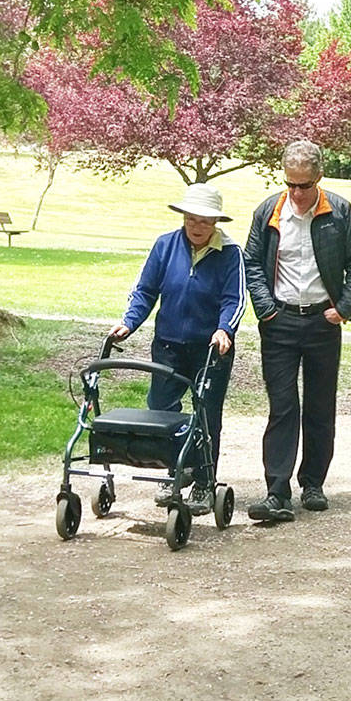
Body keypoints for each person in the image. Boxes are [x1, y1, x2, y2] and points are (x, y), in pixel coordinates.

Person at [242, 139, 351, 522]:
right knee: (282, 407)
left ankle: (313, 483)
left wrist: (342, 308)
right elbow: (251, 263)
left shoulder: (340, 212)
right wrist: (265, 309)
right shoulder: (269, 211)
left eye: (304, 185)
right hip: (279, 322)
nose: (296, 193)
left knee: (319, 406)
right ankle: (276, 491)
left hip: (321, 323)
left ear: (319, 178)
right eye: (291, 184)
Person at [109, 182, 244, 512]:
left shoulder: (230, 253)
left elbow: (235, 299)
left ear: (216, 223)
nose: (197, 227)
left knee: (206, 414)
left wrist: (224, 330)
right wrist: (129, 322)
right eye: (191, 219)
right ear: (183, 217)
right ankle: (175, 473)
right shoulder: (165, 246)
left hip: (211, 348)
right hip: (168, 344)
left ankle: (203, 481)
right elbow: (145, 291)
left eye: (205, 221)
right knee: (161, 409)